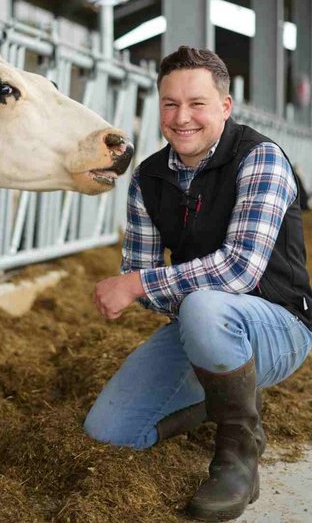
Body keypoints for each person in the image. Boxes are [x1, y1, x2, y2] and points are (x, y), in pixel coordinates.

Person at [85, 46, 312, 522]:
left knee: (208, 306)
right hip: (199, 325)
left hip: (280, 326)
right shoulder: (148, 178)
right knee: (110, 431)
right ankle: (227, 396)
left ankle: (237, 456)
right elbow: (145, 282)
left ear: (225, 107)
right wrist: (146, 286)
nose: (181, 117)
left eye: (197, 104)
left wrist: (139, 284)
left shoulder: (261, 159)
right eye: (170, 104)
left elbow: (239, 272)